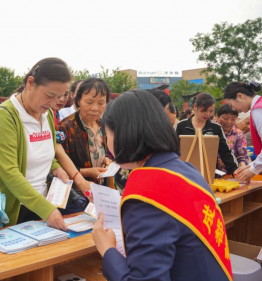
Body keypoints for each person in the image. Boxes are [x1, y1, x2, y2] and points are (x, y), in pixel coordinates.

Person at [93, 90, 232, 281]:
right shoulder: (188, 170)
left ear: (123, 134)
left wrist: (107, 249)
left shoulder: (147, 190)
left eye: (106, 134)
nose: (104, 141)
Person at [0, 58, 71, 230]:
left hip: (41, 204)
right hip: (11, 210)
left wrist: (55, 167)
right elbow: (9, 172)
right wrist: (46, 210)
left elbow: (43, 150)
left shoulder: (48, 114)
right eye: (49, 96)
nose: (53, 103)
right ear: (30, 83)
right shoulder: (5, 116)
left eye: (59, 97)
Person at [57, 77, 110, 185]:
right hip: (78, 193)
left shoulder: (103, 125)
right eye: (89, 102)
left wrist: (106, 160)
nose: (95, 108)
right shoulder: (66, 128)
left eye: (101, 103)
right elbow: (57, 164)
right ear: (78, 101)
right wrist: (86, 172)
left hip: (102, 190)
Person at [224, 82, 262, 196]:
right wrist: (250, 166)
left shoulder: (258, 110)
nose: (234, 109)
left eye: (231, 104)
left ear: (240, 96)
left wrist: (253, 170)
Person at [176, 93, 238, 175]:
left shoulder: (216, 128)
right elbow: (174, 150)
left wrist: (235, 170)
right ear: (195, 106)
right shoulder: (182, 126)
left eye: (211, 111)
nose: (207, 114)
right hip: (185, 173)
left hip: (209, 173)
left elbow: (225, 152)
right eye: (204, 110)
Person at [216, 104, 249, 174]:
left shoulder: (239, 135)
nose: (229, 122)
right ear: (217, 116)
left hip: (231, 174)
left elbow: (242, 156)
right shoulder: (210, 131)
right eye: (225, 118)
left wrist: (242, 167)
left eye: (233, 119)